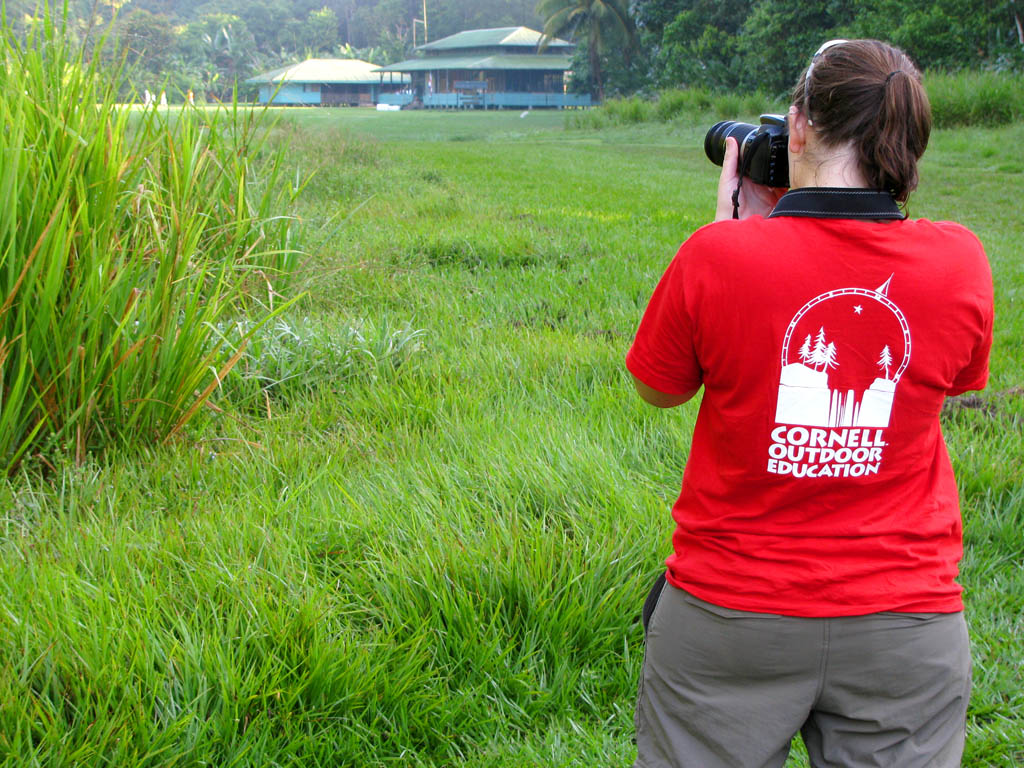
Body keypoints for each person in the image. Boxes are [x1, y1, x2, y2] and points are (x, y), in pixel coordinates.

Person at [626, 39, 993, 768]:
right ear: (909, 145)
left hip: (729, 614)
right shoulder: (961, 262)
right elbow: (949, 383)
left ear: (797, 128)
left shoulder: (717, 255)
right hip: (905, 620)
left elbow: (656, 388)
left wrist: (742, 235)